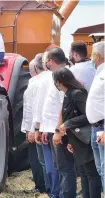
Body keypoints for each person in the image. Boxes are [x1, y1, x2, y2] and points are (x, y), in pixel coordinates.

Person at [53, 67, 102, 198]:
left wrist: (67, 124)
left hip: (84, 139)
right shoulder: (68, 94)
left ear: (59, 81)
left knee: (91, 174)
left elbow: (88, 116)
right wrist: (70, 140)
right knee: (85, 174)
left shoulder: (76, 94)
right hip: (77, 140)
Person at [41, 47, 76, 198]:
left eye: (47, 61)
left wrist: (58, 131)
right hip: (52, 128)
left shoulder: (63, 76)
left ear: (51, 61)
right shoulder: (55, 76)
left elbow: (64, 106)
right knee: (59, 166)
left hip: (59, 130)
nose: (47, 64)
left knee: (65, 168)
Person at [34, 51, 60, 198]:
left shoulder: (43, 79)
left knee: (53, 165)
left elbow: (40, 105)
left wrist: (37, 128)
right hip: (54, 127)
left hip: (53, 127)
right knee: (55, 166)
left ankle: (55, 193)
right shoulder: (63, 74)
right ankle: (55, 193)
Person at [21, 54, 47, 194]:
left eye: (30, 71)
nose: (30, 74)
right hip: (47, 126)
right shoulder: (51, 78)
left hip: (36, 127)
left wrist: (30, 129)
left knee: (36, 158)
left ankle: (41, 186)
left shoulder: (35, 82)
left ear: (36, 68)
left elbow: (31, 107)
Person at [86, 41, 105, 189]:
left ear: (97, 55)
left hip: (102, 128)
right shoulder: (99, 73)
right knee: (101, 170)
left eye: (92, 53)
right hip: (96, 128)